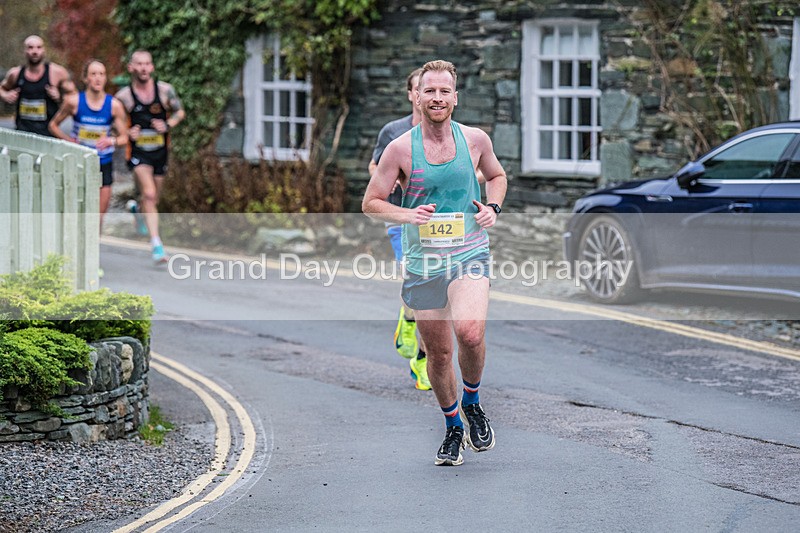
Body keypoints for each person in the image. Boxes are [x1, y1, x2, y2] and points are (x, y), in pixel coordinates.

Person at [362, 60, 507, 466]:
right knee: (439, 355)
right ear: (418, 96)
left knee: (470, 333)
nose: (437, 98)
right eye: (430, 91)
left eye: (445, 91)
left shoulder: (475, 140)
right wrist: (407, 214)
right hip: (424, 262)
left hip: (468, 252)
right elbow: (371, 202)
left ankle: (473, 403)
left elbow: (497, 176)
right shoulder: (400, 148)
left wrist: (492, 207)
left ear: (455, 98)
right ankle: (453, 427)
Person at [368, 68, 431, 391]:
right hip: (401, 218)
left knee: (434, 293)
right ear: (411, 94)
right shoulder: (393, 132)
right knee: (416, 280)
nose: (427, 94)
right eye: (420, 88)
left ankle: (417, 339)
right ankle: (421, 358)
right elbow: (375, 167)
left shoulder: (449, 134)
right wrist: (394, 179)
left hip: (438, 223)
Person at [114, 50, 185, 263]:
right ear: (131, 68)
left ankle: (137, 209)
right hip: (137, 154)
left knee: (153, 198)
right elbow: (111, 122)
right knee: (150, 195)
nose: (144, 68)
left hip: (160, 152)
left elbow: (180, 112)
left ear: (152, 67)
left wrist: (167, 125)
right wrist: (126, 133)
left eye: (147, 64)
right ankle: (157, 245)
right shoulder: (123, 97)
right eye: (139, 64)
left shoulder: (164, 91)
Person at [49, 59, 128, 232]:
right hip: (79, 164)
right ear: (85, 78)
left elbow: (125, 137)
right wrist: (68, 141)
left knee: (98, 217)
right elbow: (53, 125)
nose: (98, 78)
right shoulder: (74, 102)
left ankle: (93, 256)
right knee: (77, 213)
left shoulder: (114, 106)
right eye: (93, 74)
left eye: (102, 74)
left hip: (103, 164)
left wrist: (111, 141)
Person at [0, 35, 71, 137]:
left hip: (48, 136)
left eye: (39, 47)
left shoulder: (56, 72)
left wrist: (59, 97)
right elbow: (1, 88)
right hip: (22, 135)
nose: (35, 51)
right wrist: (6, 96)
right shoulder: (15, 74)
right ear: (24, 51)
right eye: (30, 47)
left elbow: (73, 96)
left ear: (44, 50)